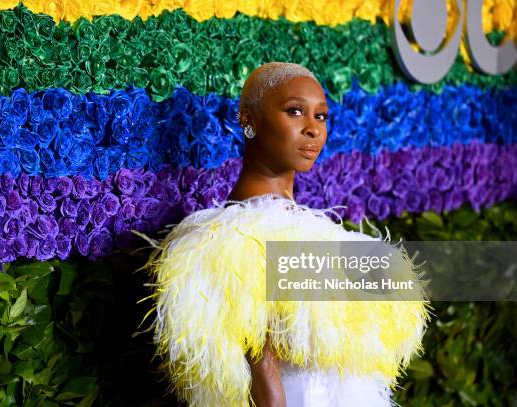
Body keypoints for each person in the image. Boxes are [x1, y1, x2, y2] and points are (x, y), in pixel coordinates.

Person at [142, 62, 428, 406]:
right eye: (295, 111)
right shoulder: (235, 240)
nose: (313, 129)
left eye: (320, 116)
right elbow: (258, 357)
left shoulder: (306, 229)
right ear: (249, 120)